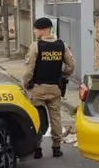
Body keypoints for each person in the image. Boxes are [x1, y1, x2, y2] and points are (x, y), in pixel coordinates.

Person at [22, 17, 76, 159]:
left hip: (37, 89)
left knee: (37, 118)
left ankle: (37, 147)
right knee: (55, 118)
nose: (34, 32)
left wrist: (26, 84)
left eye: (36, 29)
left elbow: (29, 69)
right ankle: (56, 147)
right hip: (55, 88)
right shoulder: (61, 45)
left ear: (43, 30)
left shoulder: (36, 46)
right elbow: (71, 66)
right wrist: (63, 76)